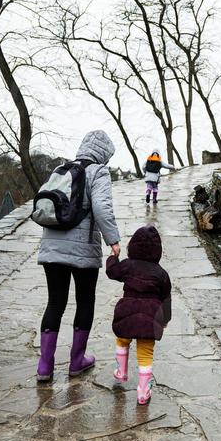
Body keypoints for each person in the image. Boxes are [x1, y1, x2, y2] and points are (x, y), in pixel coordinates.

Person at [36, 130, 122, 382]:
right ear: (104, 154)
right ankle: (76, 361)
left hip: (52, 247)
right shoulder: (99, 172)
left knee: (55, 303)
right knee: (85, 301)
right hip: (83, 249)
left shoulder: (60, 169)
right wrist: (113, 240)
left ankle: (44, 366)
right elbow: (102, 207)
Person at [108, 224, 171, 405]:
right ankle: (143, 392)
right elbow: (166, 298)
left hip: (127, 312)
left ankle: (121, 372)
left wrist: (114, 257)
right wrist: (165, 319)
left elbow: (112, 272)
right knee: (145, 353)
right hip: (150, 319)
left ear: (133, 245)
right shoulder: (161, 273)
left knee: (122, 340)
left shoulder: (128, 266)